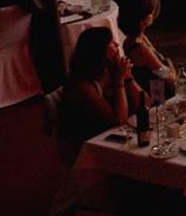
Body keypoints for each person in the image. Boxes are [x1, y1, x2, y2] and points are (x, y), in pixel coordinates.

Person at [55, 26, 139, 162]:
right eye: (111, 42)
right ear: (98, 51)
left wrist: (128, 78)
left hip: (115, 141)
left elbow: (145, 103)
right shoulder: (81, 86)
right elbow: (118, 120)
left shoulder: (108, 71)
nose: (117, 44)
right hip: (91, 150)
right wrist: (119, 81)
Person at [118, 0, 176, 89]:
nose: (152, 14)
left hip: (156, 83)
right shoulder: (141, 50)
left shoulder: (137, 38)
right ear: (142, 21)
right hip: (157, 91)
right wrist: (171, 67)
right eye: (150, 13)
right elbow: (169, 78)